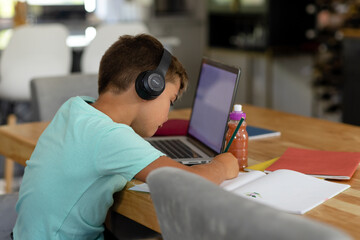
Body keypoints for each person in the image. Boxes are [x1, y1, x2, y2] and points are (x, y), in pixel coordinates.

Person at [12, 34, 239, 240]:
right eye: (170, 101)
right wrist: (222, 165)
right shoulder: (109, 136)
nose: (168, 116)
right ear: (149, 86)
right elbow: (185, 183)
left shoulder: (75, 107)